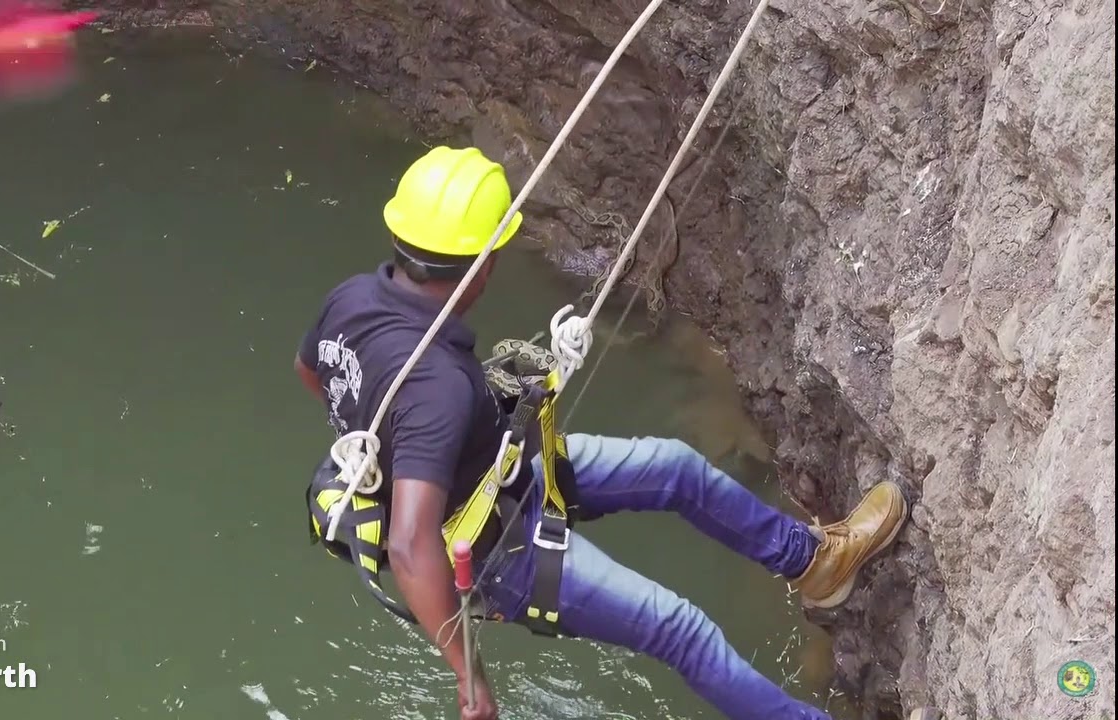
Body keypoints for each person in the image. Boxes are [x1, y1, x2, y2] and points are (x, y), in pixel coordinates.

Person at [295, 145, 941, 720]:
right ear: (482, 263)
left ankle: (814, 563)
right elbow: (410, 547)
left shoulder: (349, 300)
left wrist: (382, 431)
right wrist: (470, 679)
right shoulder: (435, 388)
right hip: (498, 552)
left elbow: (311, 372)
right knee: (682, 630)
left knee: (674, 469)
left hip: (506, 470)